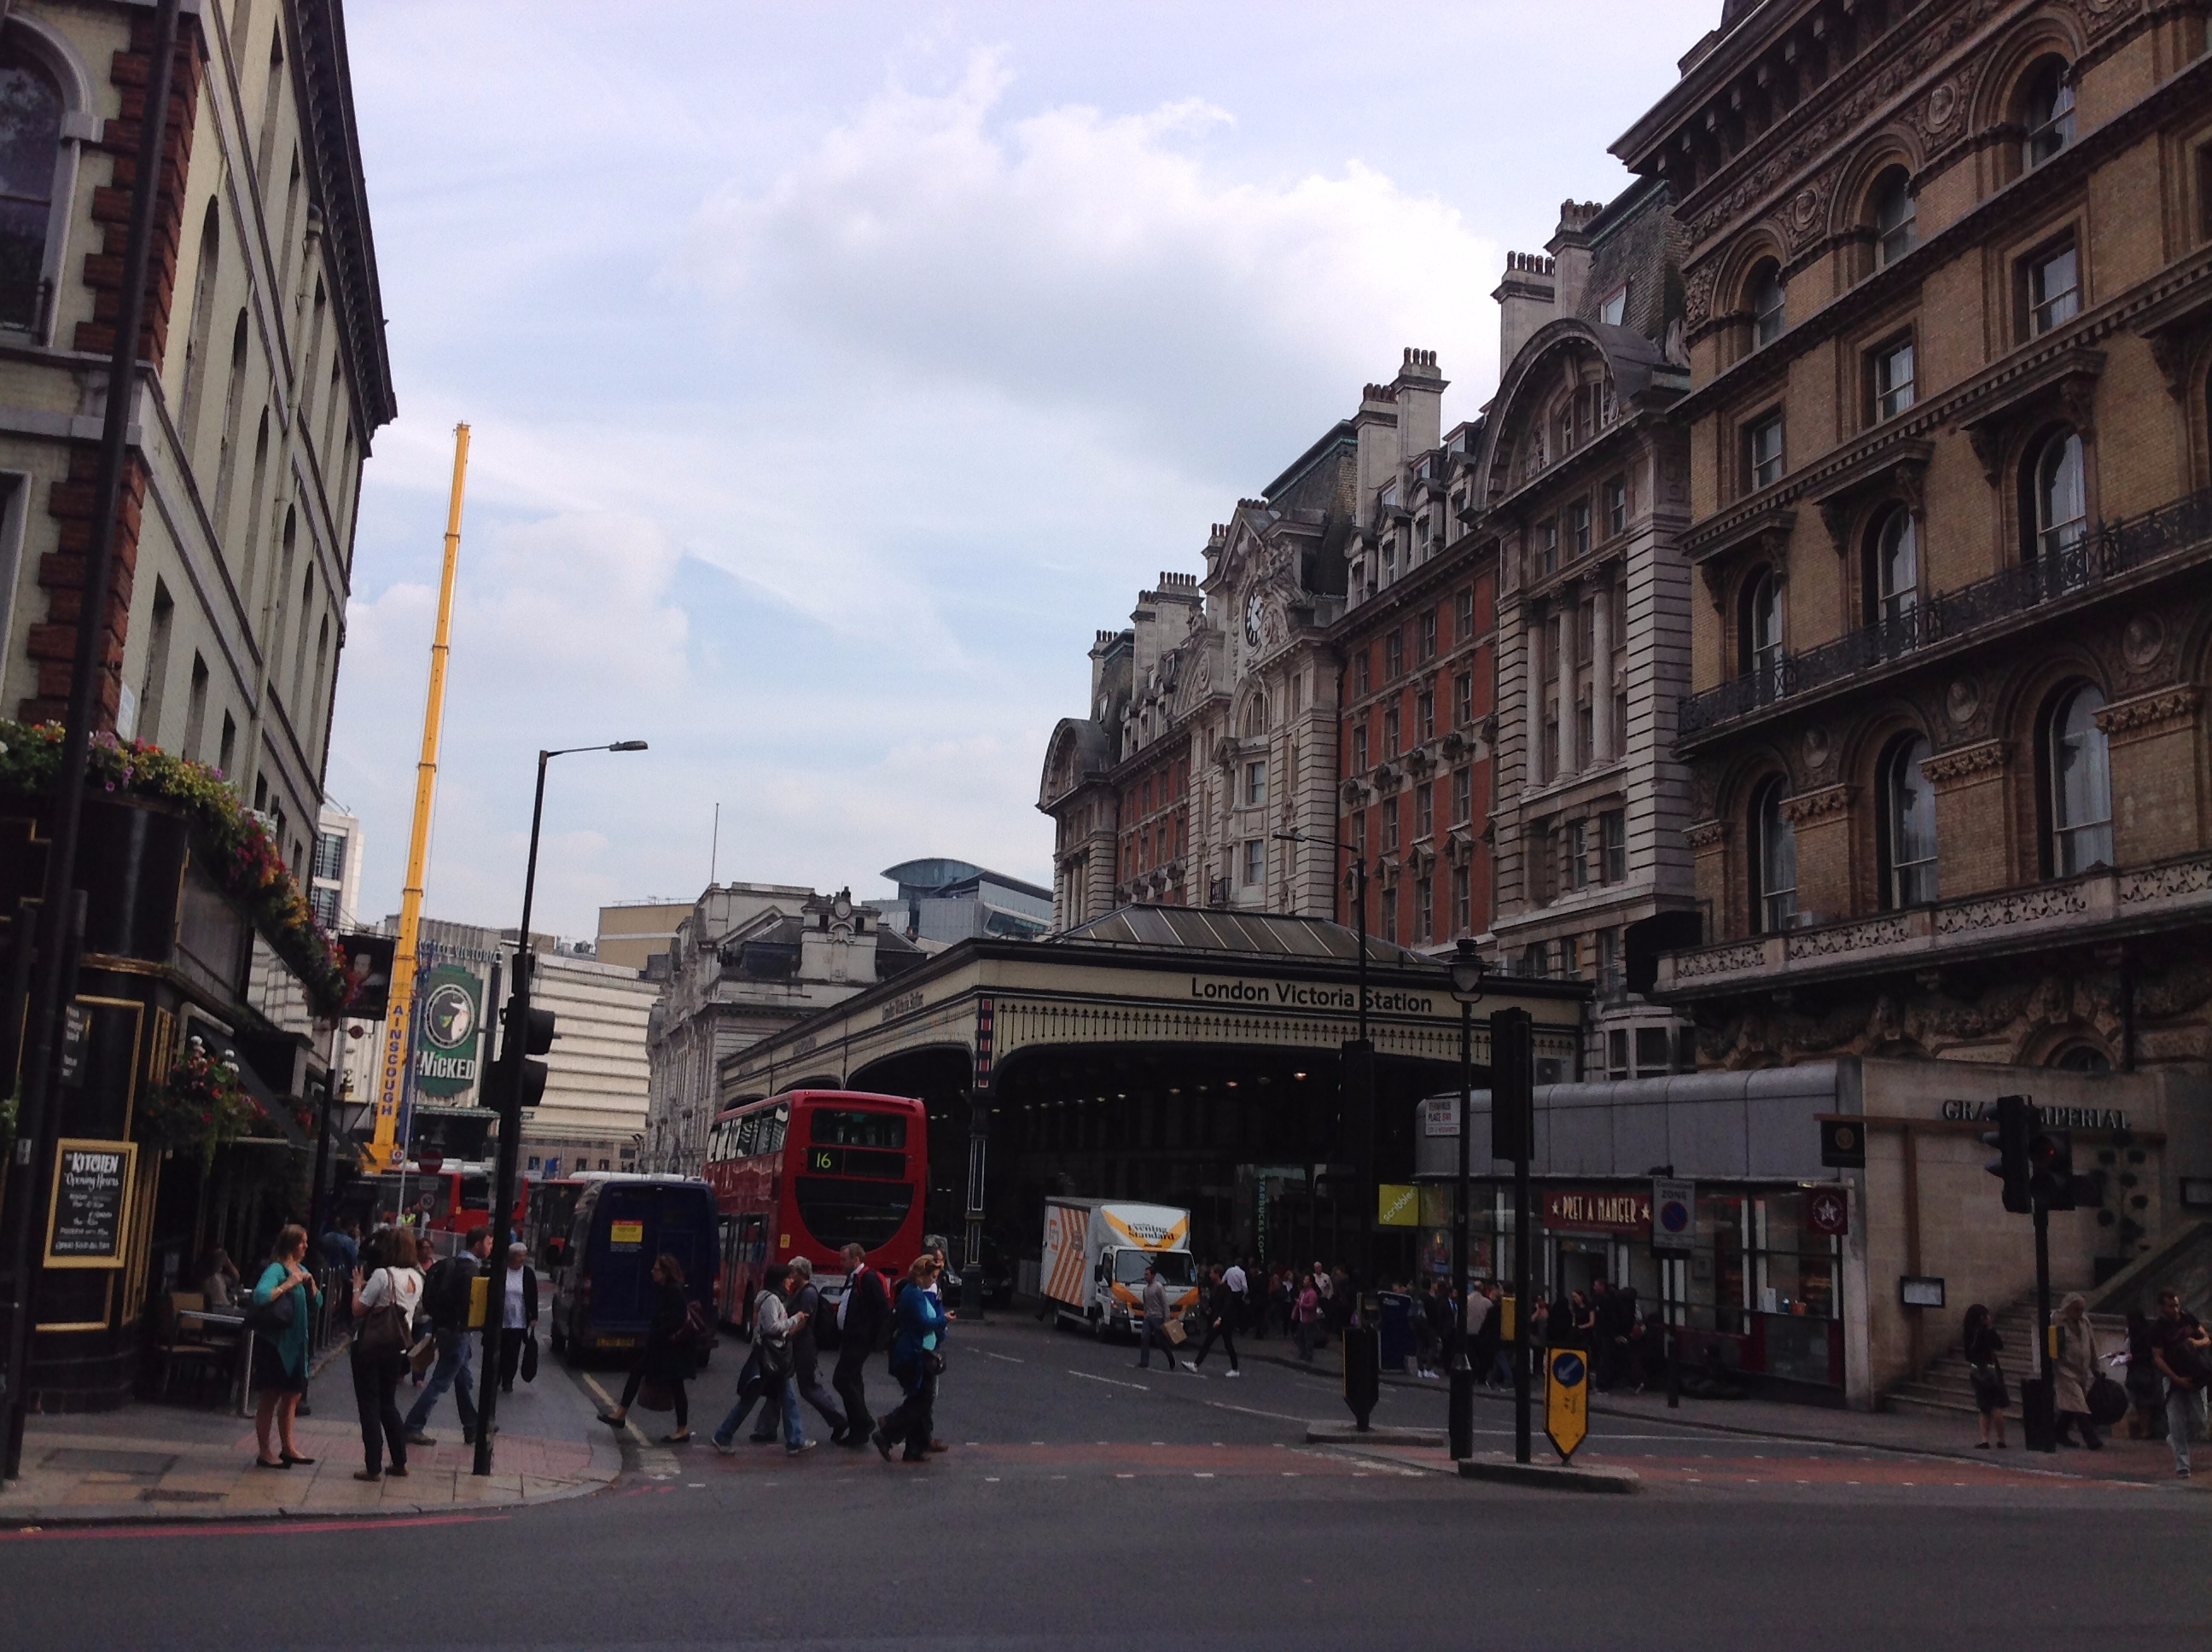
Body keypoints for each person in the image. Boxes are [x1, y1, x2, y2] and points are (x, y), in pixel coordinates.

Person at [405, 1225, 492, 1447]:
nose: (491, 1247)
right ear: (478, 1244)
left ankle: (472, 1426)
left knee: (463, 1381)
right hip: (458, 1332)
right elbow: (469, 1305)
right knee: (440, 1382)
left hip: (444, 1328)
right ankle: (413, 1426)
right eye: (489, 1243)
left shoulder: (450, 1264)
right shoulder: (470, 1271)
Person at [349, 1227, 422, 1481]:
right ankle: (400, 1461)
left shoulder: (382, 1274)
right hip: (397, 1348)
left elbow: (358, 1309)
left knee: (369, 1406)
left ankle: (372, 1466)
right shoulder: (416, 1276)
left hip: (370, 1347)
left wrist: (357, 1287)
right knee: (388, 1405)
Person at [712, 1265, 811, 1454]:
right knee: (750, 1399)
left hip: (774, 1355)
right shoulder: (771, 1300)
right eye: (789, 1278)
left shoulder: (774, 1297)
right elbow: (772, 1327)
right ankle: (722, 1435)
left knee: (788, 1398)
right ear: (781, 1280)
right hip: (769, 1357)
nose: (791, 1282)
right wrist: (795, 1319)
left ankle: (795, 1440)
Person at [248, 1226, 321, 1469]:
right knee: (271, 1395)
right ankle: (265, 1451)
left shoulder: (303, 1270)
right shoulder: (276, 1269)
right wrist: (288, 1284)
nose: (306, 1247)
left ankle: (288, 1447)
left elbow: (317, 1302)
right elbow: (260, 1296)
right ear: (291, 1244)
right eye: (302, 1242)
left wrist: (311, 1288)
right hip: (277, 1344)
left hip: (299, 1343)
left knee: (292, 1395)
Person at [757, 1256, 844, 1444]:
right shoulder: (799, 1291)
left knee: (808, 1388)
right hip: (794, 1345)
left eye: (792, 1271)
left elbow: (802, 1320)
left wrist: (787, 1335)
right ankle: (765, 1428)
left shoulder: (808, 1293)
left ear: (801, 1273)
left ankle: (838, 1419)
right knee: (778, 1385)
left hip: (803, 1346)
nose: (789, 1275)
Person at [874, 1254, 948, 1463]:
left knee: (921, 1401)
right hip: (913, 1354)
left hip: (920, 1353)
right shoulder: (913, 1294)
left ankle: (914, 1449)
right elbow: (923, 1323)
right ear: (921, 1275)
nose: (934, 1280)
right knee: (921, 1400)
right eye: (932, 1276)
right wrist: (943, 1320)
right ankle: (887, 1432)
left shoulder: (916, 1293)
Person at [832, 1242, 889, 1447]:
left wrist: (876, 1339)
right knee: (853, 1381)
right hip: (850, 1338)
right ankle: (858, 1430)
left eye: (844, 1259)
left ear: (856, 1259)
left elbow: (882, 1309)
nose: (841, 1263)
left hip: (860, 1339)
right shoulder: (853, 1278)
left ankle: (863, 1422)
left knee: (841, 1379)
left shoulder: (868, 1278)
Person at [2150, 1288, 2210, 1478]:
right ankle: (2182, 1464)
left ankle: (2174, 1440)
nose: (2175, 1309)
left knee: (2201, 1420)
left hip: (2195, 1374)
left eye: (2177, 1305)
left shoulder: (2188, 1318)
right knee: (2175, 1421)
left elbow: (2206, 1338)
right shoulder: (2158, 1329)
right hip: (2173, 1377)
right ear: (2162, 1307)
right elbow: (2158, 1357)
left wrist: (2195, 1342)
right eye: (2170, 1306)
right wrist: (2175, 1378)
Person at [2051, 1292, 2103, 1451]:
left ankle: (2059, 1431)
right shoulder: (2056, 1320)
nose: (2080, 1312)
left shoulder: (2084, 1321)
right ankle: (2090, 1438)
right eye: (2076, 1309)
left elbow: (2091, 1343)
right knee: (2079, 1403)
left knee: (2073, 1404)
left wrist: (2095, 1367)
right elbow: (2052, 1345)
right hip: (2065, 1369)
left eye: (2082, 1309)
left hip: (2082, 1369)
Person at [1963, 1303, 2008, 1449]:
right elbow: (1999, 1345)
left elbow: (1968, 1355)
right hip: (1992, 1370)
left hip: (1978, 1371)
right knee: (1997, 1406)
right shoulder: (1985, 1332)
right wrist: (1989, 1328)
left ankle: (1984, 1439)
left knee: (1984, 1407)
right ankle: (2001, 1439)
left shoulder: (1969, 1332)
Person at [496, 1242, 538, 1393]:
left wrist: (534, 1316)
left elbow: (533, 1295)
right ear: (511, 1256)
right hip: (500, 1319)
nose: (522, 1258)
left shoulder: (527, 1273)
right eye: (519, 1255)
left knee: (513, 1353)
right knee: (498, 1350)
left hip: (518, 1320)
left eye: (524, 1255)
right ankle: (496, 1378)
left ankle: (508, 1381)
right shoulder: (502, 1271)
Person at [1185, 1263, 1242, 1376]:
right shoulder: (1216, 1287)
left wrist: (1219, 1318)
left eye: (1212, 1272)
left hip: (1224, 1322)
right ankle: (1235, 1369)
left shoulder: (1226, 1288)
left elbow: (1227, 1305)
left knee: (1212, 1342)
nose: (1210, 1274)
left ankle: (1196, 1364)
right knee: (1225, 1344)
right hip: (1218, 1320)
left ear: (1217, 1274)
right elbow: (1214, 1303)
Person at [1137, 1263, 1174, 1370]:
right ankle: (1144, 1361)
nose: (1145, 1276)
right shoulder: (1145, 1289)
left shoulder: (1158, 1287)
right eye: (1145, 1274)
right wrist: (1145, 1315)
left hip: (1158, 1317)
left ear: (1153, 1275)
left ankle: (1170, 1358)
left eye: (1147, 1274)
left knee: (1160, 1341)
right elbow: (1146, 1304)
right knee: (1144, 1338)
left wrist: (1166, 1319)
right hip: (1148, 1317)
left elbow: (1165, 1303)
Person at [198, 1247, 242, 1311]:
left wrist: (228, 1263)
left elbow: (235, 1278)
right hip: (219, 1310)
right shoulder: (211, 1279)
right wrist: (228, 1263)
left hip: (223, 1309)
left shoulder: (219, 1277)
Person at [1293, 1272, 1320, 1363]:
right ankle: (1302, 1353)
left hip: (1308, 1319)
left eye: (1306, 1280)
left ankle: (1309, 1355)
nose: (1304, 1282)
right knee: (1301, 1337)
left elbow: (1311, 1306)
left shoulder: (1312, 1294)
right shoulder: (1303, 1292)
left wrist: (1301, 1304)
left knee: (1308, 1338)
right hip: (1302, 1318)